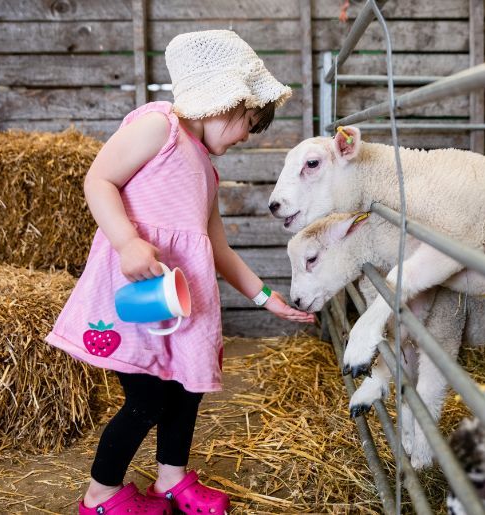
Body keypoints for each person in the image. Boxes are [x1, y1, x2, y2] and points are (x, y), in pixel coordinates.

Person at [46, 30, 315, 515]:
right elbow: (99, 179)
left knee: (186, 388)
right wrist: (128, 242)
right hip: (141, 285)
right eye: (246, 122)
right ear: (221, 99)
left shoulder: (208, 171)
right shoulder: (159, 127)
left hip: (184, 298)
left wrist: (264, 297)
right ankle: (100, 495)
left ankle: (170, 479)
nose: (243, 137)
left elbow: (217, 247)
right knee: (146, 396)